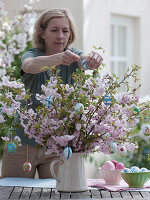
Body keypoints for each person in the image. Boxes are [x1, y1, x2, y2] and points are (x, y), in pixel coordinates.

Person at [1, 8, 103, 179]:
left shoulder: (74, 57)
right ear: (42, 33)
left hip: (56, 145)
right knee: (13, 192)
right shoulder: (32, 54)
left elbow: (85, 60)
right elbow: (29, 65)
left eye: (65, 31)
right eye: (54, 30)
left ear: (70, 34)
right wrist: (58, 58)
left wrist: (94, 58)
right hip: (20, 145)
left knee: (57, 194)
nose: (60, 36)